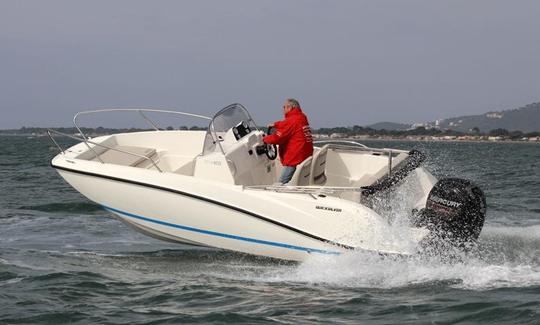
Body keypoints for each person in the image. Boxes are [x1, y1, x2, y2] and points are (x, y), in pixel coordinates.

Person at [263, 98, 313, 184]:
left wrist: (264, 139)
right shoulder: (301, 117)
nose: (282, 109)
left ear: (290, 108)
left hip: (295, 157)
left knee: (281, 183)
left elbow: (278, 138)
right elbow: (286, 124)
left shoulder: (292, 120)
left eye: (284, 107)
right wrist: (275, 124)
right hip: (305, 154)